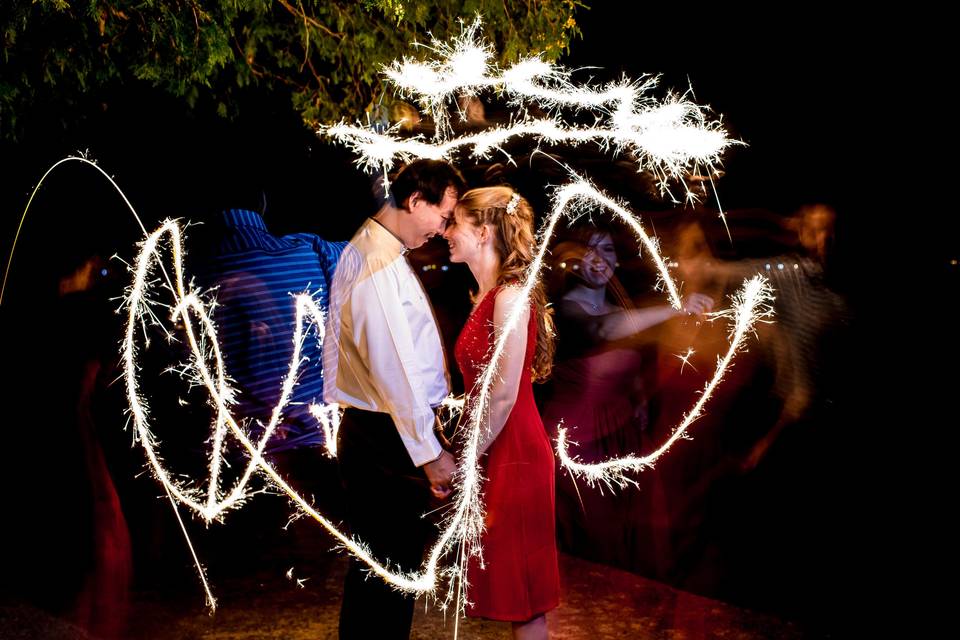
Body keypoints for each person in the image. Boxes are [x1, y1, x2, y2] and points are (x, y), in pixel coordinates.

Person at [323, 159, 466, 639]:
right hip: (384, 435)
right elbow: (394, 374)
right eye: (442, 216)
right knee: (387, 573)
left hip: (384, 430)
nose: (444, 229)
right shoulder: (375, 262)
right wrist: (429, 454)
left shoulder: (378, 252)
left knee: (384, 573)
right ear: (415, 201)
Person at [541, 221, 713, 575]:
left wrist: (637, 401)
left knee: (632, 546)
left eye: (607, 249)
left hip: (622, 440)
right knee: (592, 546)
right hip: (577, 445)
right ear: (572, 262)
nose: (599, 259)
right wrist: (676, 308)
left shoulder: (627, 309)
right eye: (588, 250)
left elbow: (632, 356)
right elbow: (604, 329)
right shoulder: (564, 312)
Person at [443, 186, 559, 640]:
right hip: (495, 447)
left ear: (484, 231)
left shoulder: (510, 298)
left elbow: (505, 395)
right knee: (513, 595)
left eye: (455, 222)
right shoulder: (486, 297)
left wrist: (463, 459)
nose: (446, 232)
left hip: (515, 453)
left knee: (524, 600)